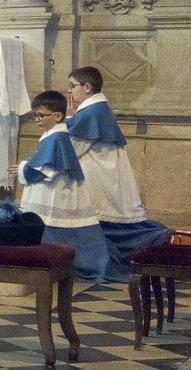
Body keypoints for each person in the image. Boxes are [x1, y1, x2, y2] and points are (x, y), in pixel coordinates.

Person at [66, 67, 170, 279]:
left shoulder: (90, 113)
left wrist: (66, 120)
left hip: (95, 179)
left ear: (87, 87)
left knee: (100, 226)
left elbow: (71, 149)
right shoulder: (95, 110)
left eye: (72, 86)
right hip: (101, 176)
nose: (69, 91)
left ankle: (157, 243)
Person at [9, 90, 111, 284]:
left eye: (41, 115)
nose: (37, 120)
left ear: (57, 116)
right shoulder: (53, 135)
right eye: (35, 115)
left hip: (57, 192)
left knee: (56, 231)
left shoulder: (56, 137)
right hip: (53, 191)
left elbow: (46, 168)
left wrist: (23, 168)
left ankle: (64, 267)